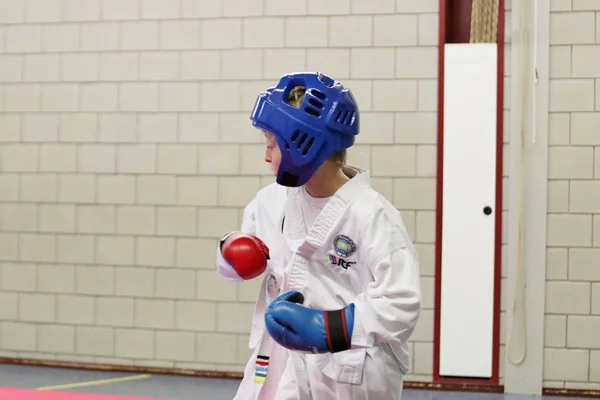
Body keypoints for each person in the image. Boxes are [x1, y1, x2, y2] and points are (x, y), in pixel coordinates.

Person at [216, 71, 421, 400]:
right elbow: (232, 268)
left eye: (273, 144)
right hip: (283, 366)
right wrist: (230, 253)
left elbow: (402, 303)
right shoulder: (271, 202)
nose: (266, 156)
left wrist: (332, 328)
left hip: (350, 373)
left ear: (303, 144)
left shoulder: (373, 215)